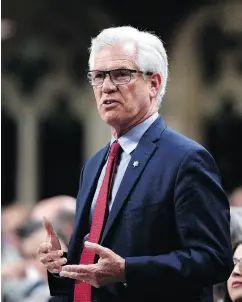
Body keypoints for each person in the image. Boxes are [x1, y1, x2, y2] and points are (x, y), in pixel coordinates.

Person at [38, 25, 233, 302]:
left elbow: (213, 259)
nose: (106, 87)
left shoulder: (186, 160)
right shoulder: (94, 165)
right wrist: (62, 265)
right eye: (98, 76)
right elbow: (97, 266)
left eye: (121, 75)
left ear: (154, 84)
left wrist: (128, 271)